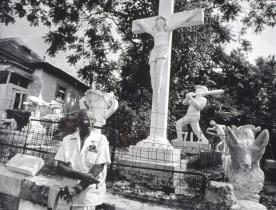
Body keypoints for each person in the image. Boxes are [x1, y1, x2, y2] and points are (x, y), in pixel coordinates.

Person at [55, 109, 111, 210]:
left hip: (87, 196)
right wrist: (81, 175)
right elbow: (59, 167)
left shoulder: (101, 140)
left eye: (92, 119)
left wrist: (77, 189)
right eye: (86, 119)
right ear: (78, 122)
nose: (90, 122)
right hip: (66, 192)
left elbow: (97, 168)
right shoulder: (67, 140)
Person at [135, 12, 197, 103]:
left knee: (158, 73)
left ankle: (157, 94)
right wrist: (140, 23)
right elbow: (146, 28)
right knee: (152, 74)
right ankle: (155, 93)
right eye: (157, 23)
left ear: (164, 24)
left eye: (161, 23)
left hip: (163, 50)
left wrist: (191, 15)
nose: (159, 24)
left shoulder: (167, 31)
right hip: (155, 51)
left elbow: (179, 22)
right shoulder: (154, 33)